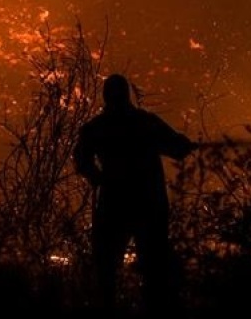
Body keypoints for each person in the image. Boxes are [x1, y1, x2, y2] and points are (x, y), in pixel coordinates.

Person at [74, 73, 197, 316]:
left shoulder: (97, 127)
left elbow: (81, 160)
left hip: (114, 205)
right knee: (154, 271)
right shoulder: (146, 123)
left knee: (107, 268)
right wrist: (185, 144)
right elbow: (177, 148)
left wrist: (96, 176)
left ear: (106, 96)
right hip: (149, 205)